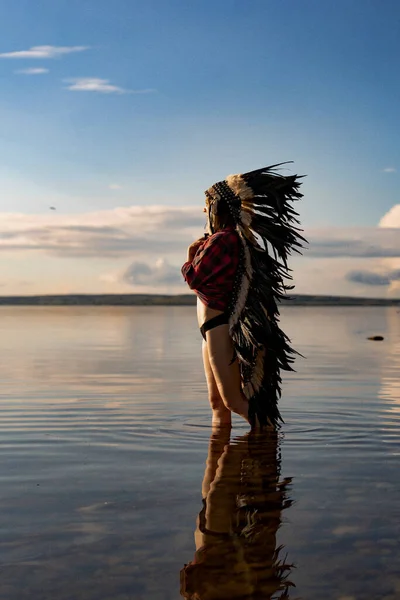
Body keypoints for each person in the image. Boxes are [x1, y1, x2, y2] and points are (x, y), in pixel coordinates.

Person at [181, 163, 305, 429]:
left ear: (218, 208)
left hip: (220, 326)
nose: (205, 211)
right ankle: (218, 464)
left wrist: (190, 256)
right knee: (217, 403)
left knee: (232, 401)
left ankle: (268, 438)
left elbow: (195, 277)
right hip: (211, 328)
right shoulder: (223, 238)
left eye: (208, 205)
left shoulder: (224, 239)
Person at [180, 429, 295, 599]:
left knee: (218, 455)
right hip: (224, 548)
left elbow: (190, 583)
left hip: (215, 549)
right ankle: (257, 423)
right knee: (228, 457)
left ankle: (256, 423)